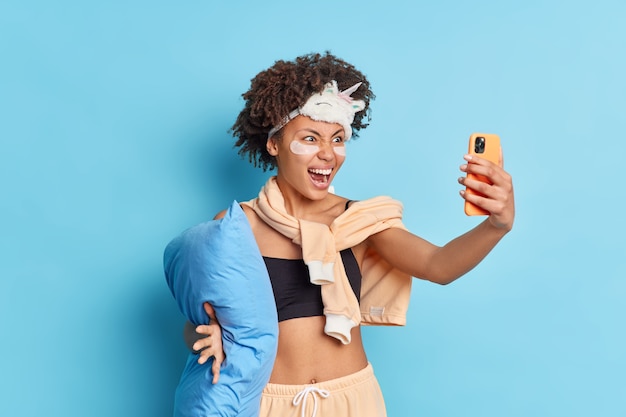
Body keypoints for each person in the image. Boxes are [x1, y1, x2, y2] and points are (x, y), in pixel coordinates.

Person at [183, 51, 515, 416]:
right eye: (311, 139)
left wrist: (496, 225)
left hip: (352, 401)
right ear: (273, 143)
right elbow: (197, 325)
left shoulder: (360, 220)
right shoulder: (235, 225)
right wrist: (209, 338)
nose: (328, 154)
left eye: (338, 139)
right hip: (267, 402)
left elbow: (439, 266)